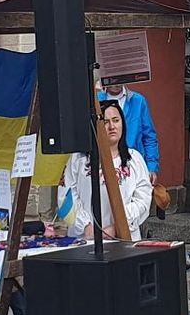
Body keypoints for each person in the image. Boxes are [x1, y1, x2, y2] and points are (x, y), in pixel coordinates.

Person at [61, 101, 153, 240]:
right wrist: (85, 226)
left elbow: (143, 200)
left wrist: (117, 227)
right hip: (85, 237)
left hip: (123, 237)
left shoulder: (134, 159)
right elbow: (65, 196)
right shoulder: (78, 159)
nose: (112, 127)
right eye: (105, 122)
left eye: (116, 120)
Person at [100, 79, 161, 214]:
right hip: (104, 161)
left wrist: (151, 166)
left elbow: (149, 136)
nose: (116, 82)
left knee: (136, 206)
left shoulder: (138, 101)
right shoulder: (97, 100)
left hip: (132, 164)